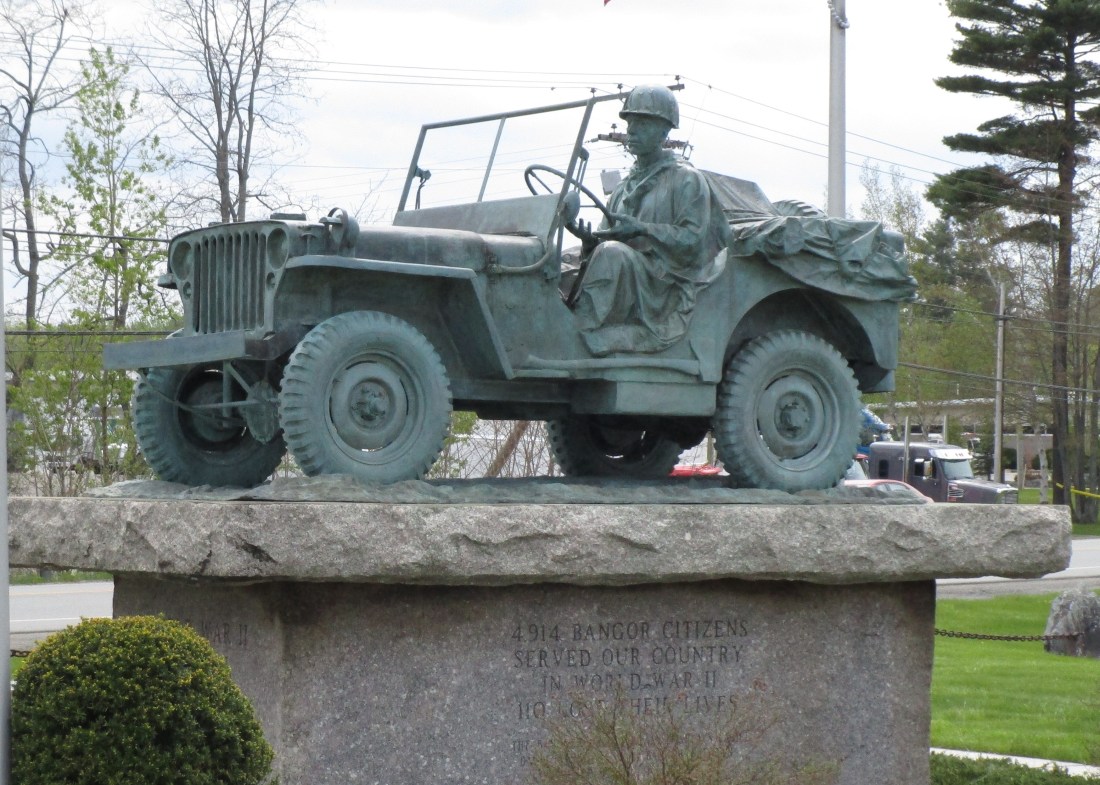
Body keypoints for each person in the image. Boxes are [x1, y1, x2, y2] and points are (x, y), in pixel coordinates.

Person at [572, 85, 731, 356]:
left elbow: (695, 242)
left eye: (642, 123)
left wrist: (642, 230)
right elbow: (606, 238)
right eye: (630, 122)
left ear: (664, 131)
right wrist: (589, 242)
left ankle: (576, 335)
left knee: (611, 254)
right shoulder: (623, 188)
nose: (631, 130)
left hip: (665, 284)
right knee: (562, 263)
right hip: (627, 278)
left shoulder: (686, 179)